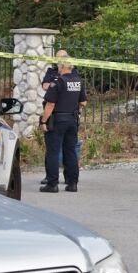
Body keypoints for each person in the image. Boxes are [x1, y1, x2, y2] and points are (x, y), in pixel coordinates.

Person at [39, 59, 86, 193]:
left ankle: (52, 184)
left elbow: (50, 104)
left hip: (57, 120)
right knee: (70, 151)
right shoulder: (78, 81)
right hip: (72, 120)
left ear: (62, 67)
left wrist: (43, 121)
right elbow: (83, 102)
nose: (58, 68)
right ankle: (72, 183)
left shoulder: (58, 82)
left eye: (59, 65)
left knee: (53, 151)